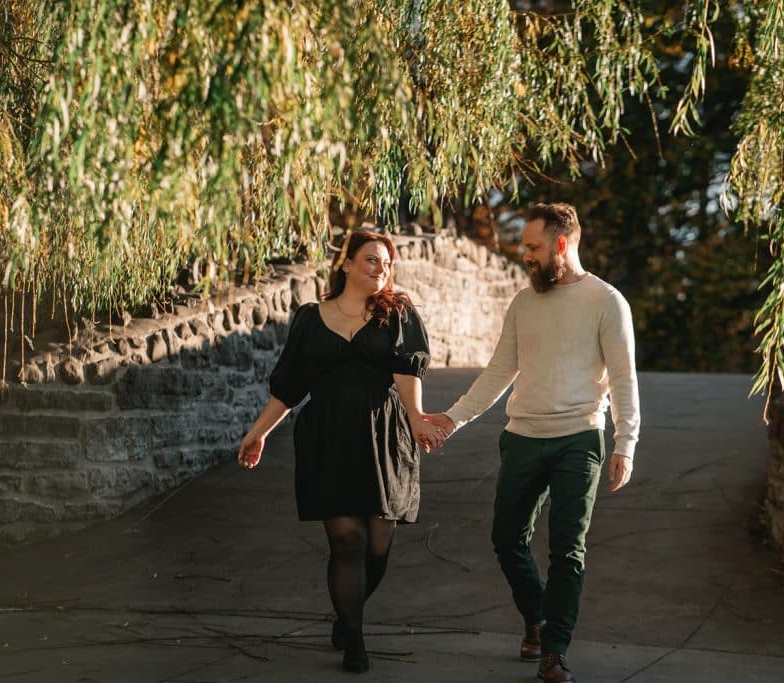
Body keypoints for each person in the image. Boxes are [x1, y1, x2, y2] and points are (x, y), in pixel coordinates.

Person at [426, 203, 640, 683]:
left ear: (561, 245)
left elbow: (625, 380)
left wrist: (625, 441)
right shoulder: (524, 303)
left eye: (532, 247)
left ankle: (554, 651)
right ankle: (538, 615)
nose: (524, 255)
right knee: (507, 539)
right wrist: (451, 419)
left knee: (568, 549)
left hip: (579, 440)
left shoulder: (607, 302)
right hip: (522, 438)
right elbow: (498, 373)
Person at [237, 229, 446, 674]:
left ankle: (348, 614)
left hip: (385, 436)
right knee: (347, 541)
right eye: (372, 260)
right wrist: (259, 433)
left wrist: (418, 419)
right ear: (346, 264)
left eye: (387, 264)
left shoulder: (399, 314)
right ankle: (355, 637)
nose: (381, 269)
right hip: (328, 437)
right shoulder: (310, 318)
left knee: (378, 545)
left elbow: (408, 374)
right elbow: (290, 386)